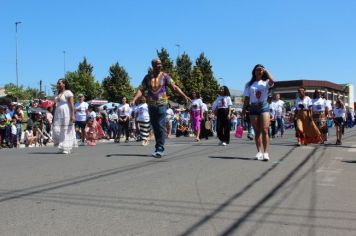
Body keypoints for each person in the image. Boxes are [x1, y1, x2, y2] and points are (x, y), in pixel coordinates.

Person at [130, 58, 190, 158]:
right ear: (153, 65)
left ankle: (159, 148)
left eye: (161, 64)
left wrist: (184, 95)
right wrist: (134, 99)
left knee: (160, 125)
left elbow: (174, 87)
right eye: (158, 64)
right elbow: (141, 90)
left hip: (162, 104)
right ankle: (158, 146)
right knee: (155, 127)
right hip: (151, 105)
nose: (160, 65)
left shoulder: (165, 76)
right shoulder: (147, 77)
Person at [242, 64, 274, 161]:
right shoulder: (249, 84)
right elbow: (247, 98)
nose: (259, 71)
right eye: (257, 70)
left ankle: (266, 153)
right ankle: (259, 152)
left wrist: (266, 70)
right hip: (253, 107)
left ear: (263, 71)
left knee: (265, 129)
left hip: (264, 106)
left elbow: (273, 81)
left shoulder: (266, 82)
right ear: (254, 72)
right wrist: (244, 110)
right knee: (257, 131)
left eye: (261, 70)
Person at [52, 79, 77, 154]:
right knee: (57, 129)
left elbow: (72, 105)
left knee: (65, 130)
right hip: (57, 113)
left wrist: (73, 115)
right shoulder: (56, 93)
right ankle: (61, 145)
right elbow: (54, 104)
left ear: (64, 84)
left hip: (66, 112)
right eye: (57, 83)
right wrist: (53, 115)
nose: (58, 84)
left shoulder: (68, 92)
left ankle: (66, 148)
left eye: (59, 83)